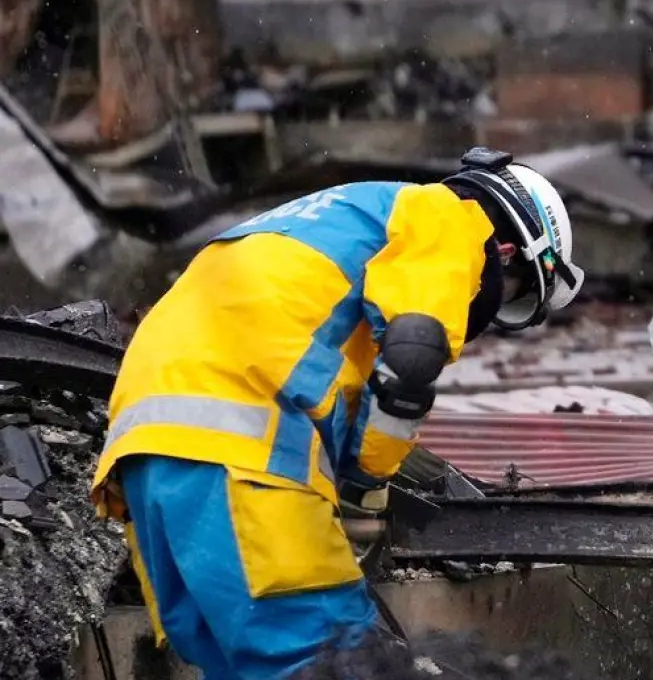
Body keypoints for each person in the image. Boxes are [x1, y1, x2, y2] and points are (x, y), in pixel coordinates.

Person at [90, 147, 584, 680]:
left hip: (145, 454)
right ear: (509, 250)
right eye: (510, 294)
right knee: (328, 661)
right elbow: (411, 358)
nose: (490, 305)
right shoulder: (447, 218)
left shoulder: (328, 216)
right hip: (244, 455)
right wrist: (366, 484)